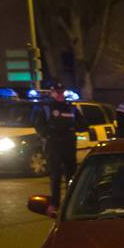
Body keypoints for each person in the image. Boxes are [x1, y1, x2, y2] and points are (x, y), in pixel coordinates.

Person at [40, 83, 83, 213]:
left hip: (68, 144)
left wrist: (73, 128)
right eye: (57, 92)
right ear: (51, 93)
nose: (60, 94)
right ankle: (55, 203)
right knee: (56, 175)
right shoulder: (46, 108)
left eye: (61, 92)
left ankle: (72, 202)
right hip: (54, 144)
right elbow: (39, 125)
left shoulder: (71, 108)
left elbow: (82, 124)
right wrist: (51, 132)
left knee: (71, 175)